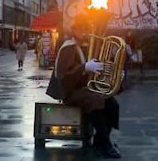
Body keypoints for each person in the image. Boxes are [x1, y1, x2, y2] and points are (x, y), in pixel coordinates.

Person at [46, 23, 121, 158]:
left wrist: (115, 74)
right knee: (95, 100)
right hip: (70, 92)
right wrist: (84, 67)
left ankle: (100, 141)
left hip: (85, 89)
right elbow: (63, 76)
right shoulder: (68, 47)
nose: (86, 32)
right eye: (83, 29)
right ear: (74, 30)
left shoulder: (85, 46)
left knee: (112, 104)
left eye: (87, 29)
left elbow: (96, 70)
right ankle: (105, 143)